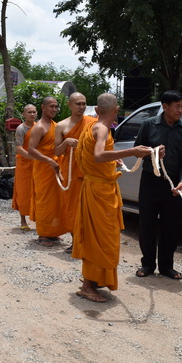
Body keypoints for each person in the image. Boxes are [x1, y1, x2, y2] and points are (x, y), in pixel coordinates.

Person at [73, 94, 152, 301]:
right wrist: (132, 151)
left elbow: (95, 156)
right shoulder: (101, 129)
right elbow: (99, 155)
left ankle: (93, 279)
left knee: (99, 236)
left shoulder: (92, 127)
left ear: (96, 110)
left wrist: (113, 161)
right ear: (116, 110)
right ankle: (87, 286)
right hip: (99, 191)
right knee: (100, 238)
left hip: (97, 188)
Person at [134, 90, 182, 280]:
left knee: (171, 226)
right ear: (165, 106)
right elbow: (137, 150)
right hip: (150, 181)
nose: (181, 110)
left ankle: (167, 266)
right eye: (177, 106)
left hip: (173, 185)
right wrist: (152, 152)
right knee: (147, 224)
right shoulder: (148, 125)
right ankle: (147, 264)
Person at [55, 92, 97, 252]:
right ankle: (75, 242)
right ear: (69, 105)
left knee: (89, 206)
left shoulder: (93, 123)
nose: (81, 107)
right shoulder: (61, 125)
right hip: (71, 170)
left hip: (89, 169)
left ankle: (88, 242)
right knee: (72, 206)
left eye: (84, 103)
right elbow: (57, 151)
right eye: (78, 104)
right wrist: (66, 142)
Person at [28, 97, 67, 247]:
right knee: (44, 201)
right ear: (43, 107)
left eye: (56, 107)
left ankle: (53, 232)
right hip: (44, 168)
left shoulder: (56, 126)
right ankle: (43, 234)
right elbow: (31, 150)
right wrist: (49, 161)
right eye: (51, 106)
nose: (54, 109)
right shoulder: (39, 127)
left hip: (56, 168)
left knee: (56, 201)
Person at [12, 104, 38, 231]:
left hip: (37, 164)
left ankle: (39, 219)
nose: (32, 114)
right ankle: (23, 220)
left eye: (34, 112)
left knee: (38, 192)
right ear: (24, 114)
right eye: (29, 112)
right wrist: (32, 156)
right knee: (23, 192)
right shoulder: (21, 129)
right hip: (24, 164)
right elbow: (18, 148)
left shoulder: (39, 127)